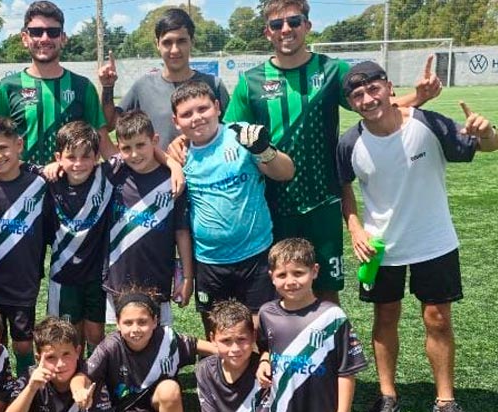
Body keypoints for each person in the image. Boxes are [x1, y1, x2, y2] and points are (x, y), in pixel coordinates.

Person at [164, 0, 441, 304]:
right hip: (273, 206)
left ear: (307, 26)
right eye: (277, 24)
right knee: (279, 292)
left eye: (294, 22)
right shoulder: (251, 82)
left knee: (326, 291)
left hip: (323, 201)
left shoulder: (332, 70)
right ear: (267, 32)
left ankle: (330, 338)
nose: (286, 29)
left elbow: (374, 106)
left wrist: (418, 97)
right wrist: (182, 142)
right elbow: (223, 130)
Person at [337, 61, 497, 412]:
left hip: (434, 240)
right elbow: (343, 187)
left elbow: (487, 146)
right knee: (385, 317)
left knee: (438, 319)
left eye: (373, 89)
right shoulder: (349, 142)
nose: (367, 99)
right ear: (352, 103)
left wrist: (488, 133)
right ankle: (387, 395)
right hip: (381, 248)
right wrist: (355, 228)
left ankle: (445, 401)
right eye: (357, 95)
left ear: (389, 87)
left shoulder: (428, 124)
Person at [171, 80, 294, 337]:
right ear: (176, 121)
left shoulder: (241, 135)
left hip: (255, 255)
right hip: (209, 262)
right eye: (187, 114)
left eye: (203, 109)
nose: (196, 118)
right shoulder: (179, 154)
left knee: (259, 332)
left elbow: (286, 172)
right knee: (218, 334)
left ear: (217, 107)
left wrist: (263, 150)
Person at [256, 238, 367, 412]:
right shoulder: (267, 314)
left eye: (298, 273)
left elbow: (346, 372)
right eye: (282, 275)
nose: (290, 281)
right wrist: (264, 361)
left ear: (314, 271)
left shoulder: (333, 317)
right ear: (271, 277)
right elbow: (265, 348)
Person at [72, 289, 215, 412]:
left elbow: (198, 345)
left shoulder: (167, 339)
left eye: (142, 322)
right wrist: (79, 390)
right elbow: (82, 375)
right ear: (118, 323)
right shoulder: (110, 346)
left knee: (169, 389)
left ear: (155, 321)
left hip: (161, 404)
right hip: (130, 409)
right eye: (128, 323)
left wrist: (227, 351)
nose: (135, 329)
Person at [0, 1, 115, 164]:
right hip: (24, 180)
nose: (45, 38)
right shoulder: (8, 87)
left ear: (63, 38)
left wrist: (137, 170)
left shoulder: (83, 86)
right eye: (36, 32)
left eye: (53, 32)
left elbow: (103, 143)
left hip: (72, 180)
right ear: (25, 38)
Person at [0, 117, 54, 376]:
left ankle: (23, 386)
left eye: (3, 148)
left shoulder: (40, 183)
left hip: (24, 282)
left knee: (23, 344)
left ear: (19, 145)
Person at [104, 110, 192, 326]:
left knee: (158, 337)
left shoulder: (173, 181)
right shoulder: (115, 173)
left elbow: (182, 232)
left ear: (155, 141)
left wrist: (187, 277)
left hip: (157, 280)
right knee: (122, 336)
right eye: (126, 148)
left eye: (140, 145)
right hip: (117, 279)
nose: (134, 154)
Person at [99, 7, 229, 149]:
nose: (175, 50)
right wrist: (107, 87)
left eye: (181, 41)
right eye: (167, 42)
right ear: (157, 44)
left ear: (192, 41)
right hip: (159, 164)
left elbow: (231, 132)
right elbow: (110, 124)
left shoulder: (213, 85)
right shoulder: (143, 87)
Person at [42, 122, 114, 357]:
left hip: (96, 275)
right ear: (58, 157)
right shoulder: (50, 181)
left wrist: (174, 165)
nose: (78, 163)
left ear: (97, 157)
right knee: (68, 337)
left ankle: (94, 374)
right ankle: (70, 376)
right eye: (71, 157)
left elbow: (136, 155)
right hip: (64, 276)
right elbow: (15, 166)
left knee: (95, 334)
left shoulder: (106, 176)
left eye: (86, 157)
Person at [3, 316, 113, 412]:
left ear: (77, 352)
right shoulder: (30, 377)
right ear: (38, 358)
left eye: (66, 354)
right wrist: (30, 389)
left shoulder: (89, 374)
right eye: (51, 357)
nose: (60, 364)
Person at [197, 300, 269, 412]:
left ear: (253, 336)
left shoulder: (264, 373)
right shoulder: (205, 370)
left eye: (241, 339)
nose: (235, 349)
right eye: (226, 340)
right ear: (212, 339)